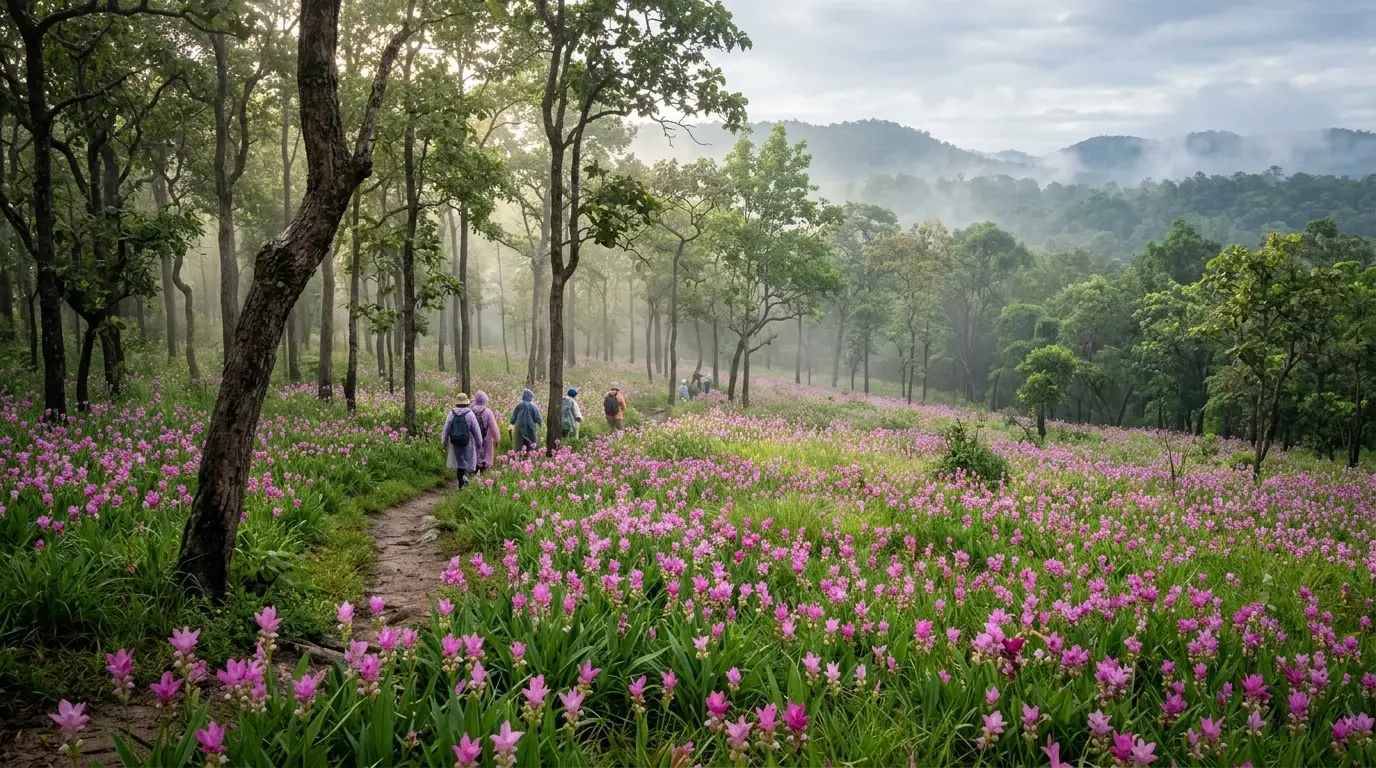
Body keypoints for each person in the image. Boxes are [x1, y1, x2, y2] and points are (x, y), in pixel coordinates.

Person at [441, 393, 484, 488]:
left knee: (460, 462)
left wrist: (443, 442)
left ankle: (461, 480)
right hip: (467, 442)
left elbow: (446, 428)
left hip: (455, 443)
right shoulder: (470, 414)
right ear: (466, 403)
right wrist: (479, 444)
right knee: (466, 462)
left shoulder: (452, 413)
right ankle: (463, 481)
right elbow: (476, 430)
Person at [472, 391, 500, 471]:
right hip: (486, 438)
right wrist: (497, 438)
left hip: (474, 438)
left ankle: (475, 469)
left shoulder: (471, 411)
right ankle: (484, 469)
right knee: (486, 455)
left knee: (475, 454)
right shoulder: (488, 412)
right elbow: (493, 427)